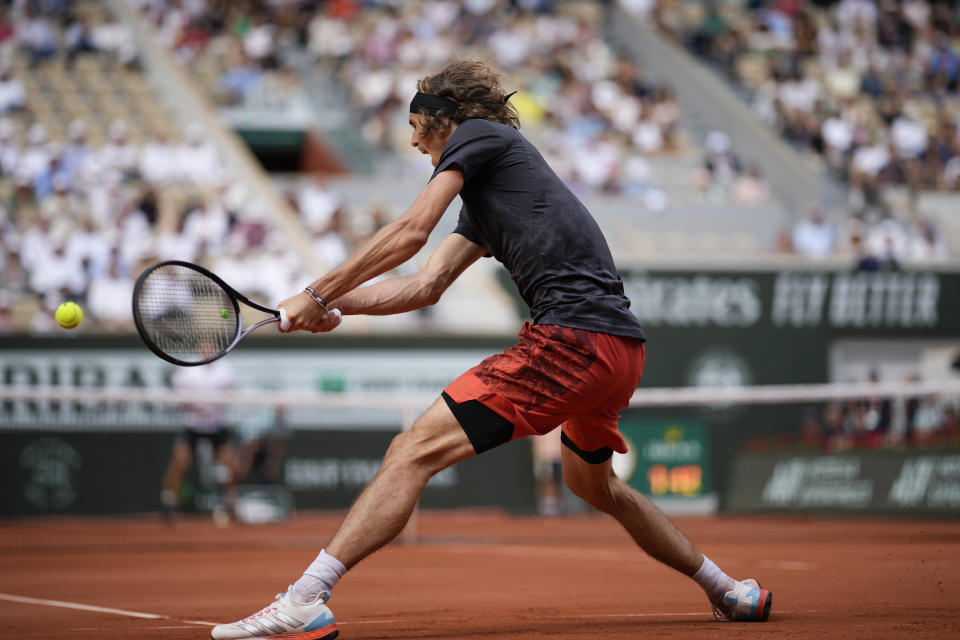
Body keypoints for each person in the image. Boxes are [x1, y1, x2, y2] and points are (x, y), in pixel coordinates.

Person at [211, 60, 772, 640]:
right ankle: (727, 590)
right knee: (592, 485)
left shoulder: (482, 135)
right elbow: (424, 286)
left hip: (571, 339)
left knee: (412, 451)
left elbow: (409, 231)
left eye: (416, 125)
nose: (410, 139)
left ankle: (305, 599)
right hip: (620, 348)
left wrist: (314, 290)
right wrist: (337, 308)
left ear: (444, 120)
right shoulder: (487, 196)